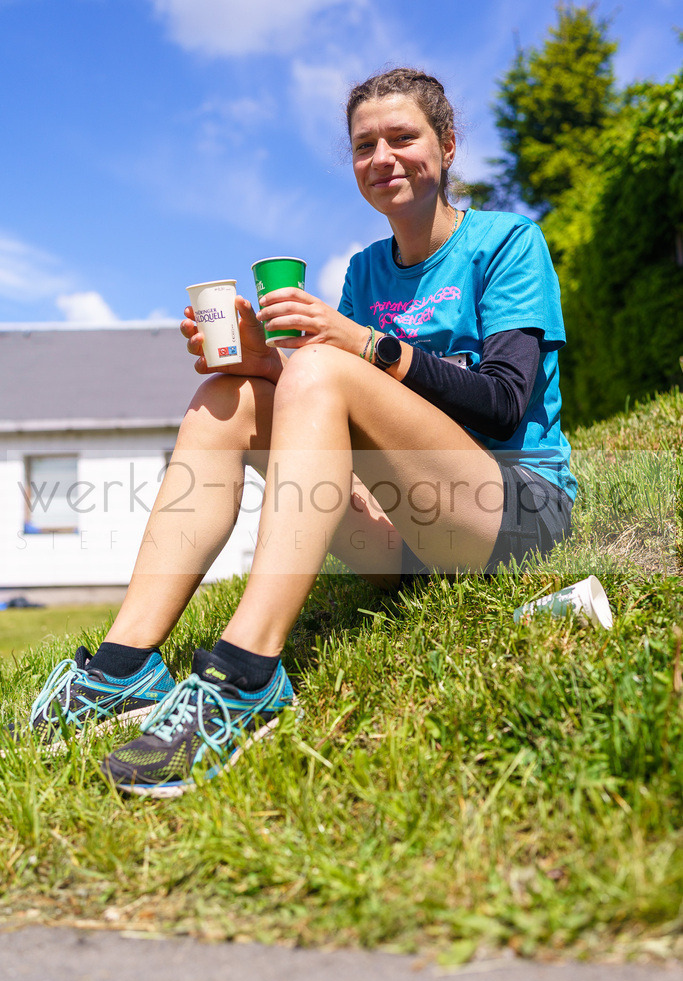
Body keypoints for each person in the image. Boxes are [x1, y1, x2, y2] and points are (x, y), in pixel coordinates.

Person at [7, 68, 575, 796]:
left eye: (403, 137)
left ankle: (244, 676)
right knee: (230, 395)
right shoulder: (369, 270)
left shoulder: (506, 243)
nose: (383, 157)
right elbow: (326, 405)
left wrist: (360, 344)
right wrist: (261, 365)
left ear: (448, 145)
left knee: (319, 366)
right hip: (409, 539)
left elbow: (501, 403)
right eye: (364, 144)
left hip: (511, 517)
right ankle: (125, 666)